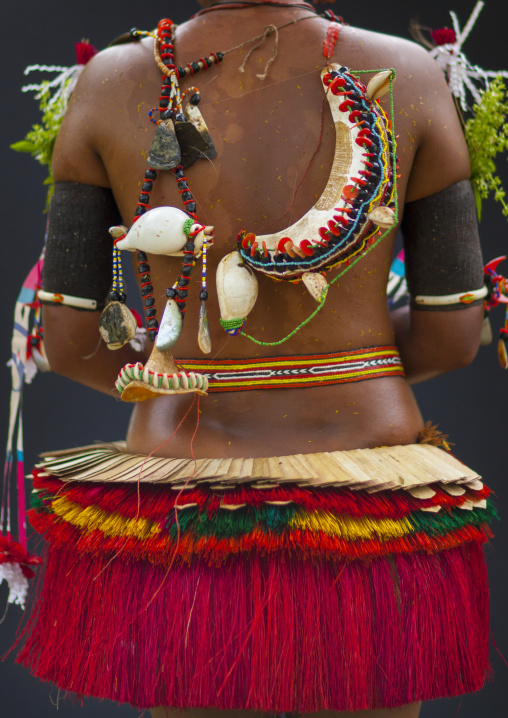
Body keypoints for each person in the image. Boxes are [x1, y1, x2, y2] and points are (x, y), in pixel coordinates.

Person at [18, 2, 493, 717]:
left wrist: (176, 365)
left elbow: (70, 337)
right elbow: (454, 336)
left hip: (181, 511)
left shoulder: (111, 83)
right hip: (372, 513)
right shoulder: (410, 74)